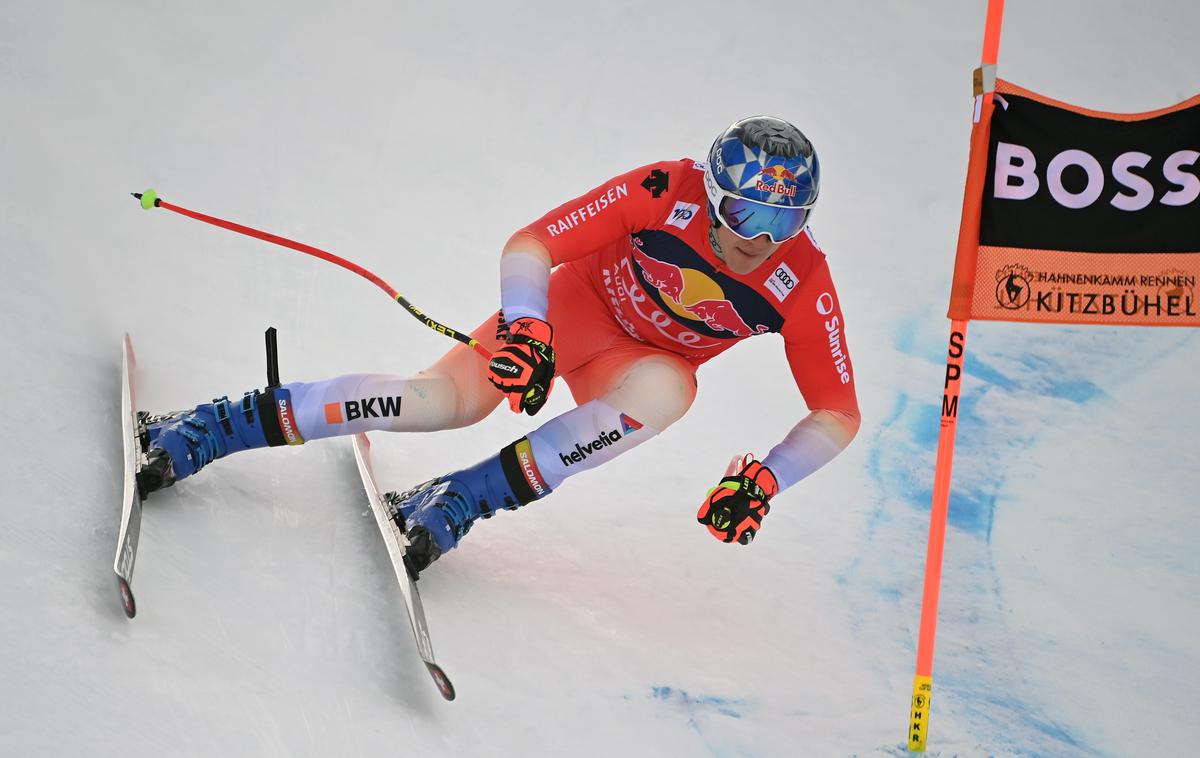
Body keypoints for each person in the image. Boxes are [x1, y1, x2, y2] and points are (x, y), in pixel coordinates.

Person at [138, 115, 861, 576]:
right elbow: (534, 243)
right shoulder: (663, 187)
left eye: (783, 220)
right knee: (441, 403)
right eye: (743, 210)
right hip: (573, 312)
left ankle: (460, 499)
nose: (755, 240)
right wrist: (528, 326)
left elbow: (838, 411)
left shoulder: (800, 281)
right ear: (711, 191)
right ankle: (214, 425)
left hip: (636, 365)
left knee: (671, 392)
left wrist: (768, 479)